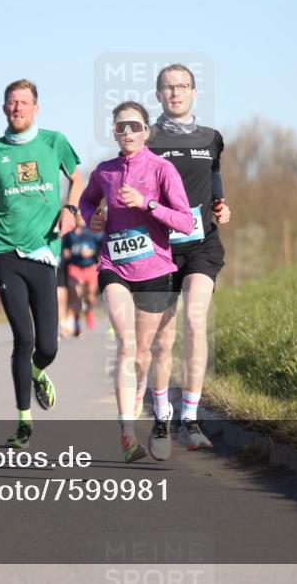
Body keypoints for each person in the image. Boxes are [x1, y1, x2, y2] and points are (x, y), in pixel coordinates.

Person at [0, 79, 83, 448]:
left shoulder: (55, 142)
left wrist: (70, 207)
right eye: (11, 102)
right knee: (24, 337)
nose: (17, 108)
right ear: (4, 109)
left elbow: (77, 179)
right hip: (5, 253)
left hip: (45, 255)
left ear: (36, 108)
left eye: (24, 102)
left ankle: (38, 372)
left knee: (48, 346)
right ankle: (24, 421)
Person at [81, 101, 194, 463]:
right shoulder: (105, 172)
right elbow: (86, 204)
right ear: (114, 133)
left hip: (155, 272)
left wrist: (147, 204)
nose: (127, 133)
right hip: (113, 266)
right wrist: (92, 220)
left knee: (144, 355)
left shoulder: (163, 169)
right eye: (120, 128)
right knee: (127, 347)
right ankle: (127, 433)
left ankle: (158, 413)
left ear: (146, 131)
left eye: (133, 126)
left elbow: (185, 222)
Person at [147, 64, 232, 455]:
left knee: (196, 322)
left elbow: (214, 179)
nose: (175, 92)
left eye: (182, 86)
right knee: (163, 339)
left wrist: (221, 205)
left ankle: (190, 419)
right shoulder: (147, 138)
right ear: (159, 94)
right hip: (159, 247)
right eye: (168, 87)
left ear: (194, 92)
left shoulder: (212, 138)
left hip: (201, 245)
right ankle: (162, 417)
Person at [63, 217, 102, 335]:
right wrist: (66, 252)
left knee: (90, 295)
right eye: (77, 216)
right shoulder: (69, 234)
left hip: (90, 267)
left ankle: (88, 310)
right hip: (75, 267)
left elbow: (102, 246)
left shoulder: (92, 232)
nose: (80, 218)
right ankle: (76, 322)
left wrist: (92, 253)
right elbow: (65, 249)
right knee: (76, 295)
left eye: (82, 216)